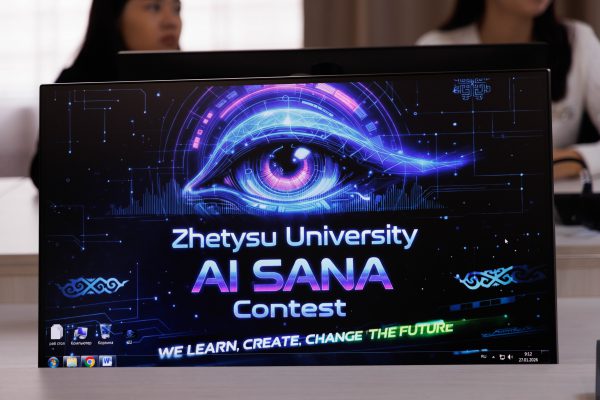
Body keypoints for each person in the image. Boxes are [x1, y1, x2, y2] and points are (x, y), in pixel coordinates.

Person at [416, 0, 600, 180]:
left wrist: (570, 159)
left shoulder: (578, 40)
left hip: (556, 195)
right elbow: (419, 154)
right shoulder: (435, 48)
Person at [30, 0, 182, 186]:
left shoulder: (197, 88)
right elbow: (45, 173)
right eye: (154, 7)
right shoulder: (74, 88)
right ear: (114, 17)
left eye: (177, 9)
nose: (171, 21)